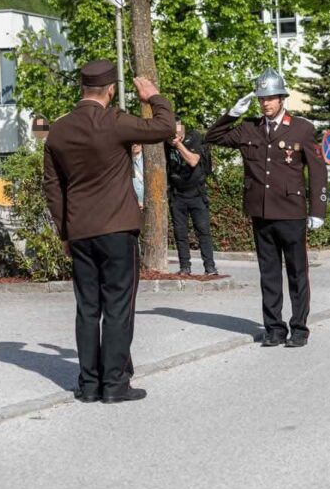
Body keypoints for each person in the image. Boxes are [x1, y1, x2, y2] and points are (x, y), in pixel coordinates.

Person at [43, 59, 175, 404]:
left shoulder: (59, 130)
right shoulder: (115, 121)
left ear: (82, 88)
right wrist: (154, 97)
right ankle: (114, 383)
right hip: (117, 229)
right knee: (117, 306)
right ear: (111, 90)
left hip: (80, 231)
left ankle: (89, 384)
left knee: (88, 308)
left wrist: (64, 232)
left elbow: (52, 187)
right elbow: (165, 128)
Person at [205, 67, 327, 347]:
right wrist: (232, 114)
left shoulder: (302, 128)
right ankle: (274, 328)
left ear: (282, 98)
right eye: (261, 98)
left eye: (270, 98)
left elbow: (317, 171)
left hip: (292, 212)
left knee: (297, 273)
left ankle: (299, 328)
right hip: (261, 212)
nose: (265, 103)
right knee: (268, 274)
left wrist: (318, 211)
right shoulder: (249, 128)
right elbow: (212, 137)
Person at [165, 116, 218, 276]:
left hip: (196, 194)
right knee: (180, 233)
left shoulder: (194, 137)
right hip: (177, 195)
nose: (175, 133)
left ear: (182, 127)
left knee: (203, 231)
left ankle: (210, 267)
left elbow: (193, 161)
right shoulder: (165, 143)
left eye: (177, 128)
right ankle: (185, 267)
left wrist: (178, 144)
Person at [132, 143, 145, 210]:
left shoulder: (148, 158)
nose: (135, 145)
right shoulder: (125, 162)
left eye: (137, 142)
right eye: (132, 143)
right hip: (134, 204)